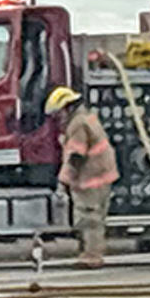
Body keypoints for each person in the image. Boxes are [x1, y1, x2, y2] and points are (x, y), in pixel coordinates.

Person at [46, 86, 118, 269]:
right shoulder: (86, 117)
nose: (58, 118)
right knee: (95, 218)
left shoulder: (77, 124)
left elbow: (76, 156)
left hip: (91, 179)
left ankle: (92, 257)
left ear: (66, 108)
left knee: (89, 218)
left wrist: (63, 181)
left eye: (58, 113)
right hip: (101, 176)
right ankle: (88, 251)